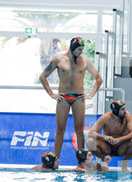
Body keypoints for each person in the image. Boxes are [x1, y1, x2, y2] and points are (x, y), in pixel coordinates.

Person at [39, 37, 103, 169]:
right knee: (60, 130)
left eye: (82, 50)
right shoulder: (58, 60)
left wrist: (91, 94)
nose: (81, 52)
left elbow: (99, 79)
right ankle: (54, 161)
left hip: (78, 98)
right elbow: (42, 77)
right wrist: (52, 94)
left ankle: (82, 162)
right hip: (64, 98)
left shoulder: (85, 61)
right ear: (72, 48)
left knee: (79, 130)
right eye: (79, 49)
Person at [86, 100, 132, 172]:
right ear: (115, 111)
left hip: (121, 147)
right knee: (90, 141)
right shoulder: (105, 118)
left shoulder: (127, 116)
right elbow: (91, 133)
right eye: (122, 109)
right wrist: (106, 138)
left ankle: (124, 163)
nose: (125, 111)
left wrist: (119, 140)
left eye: (125, 109)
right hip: (107, 147)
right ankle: (104, 161)